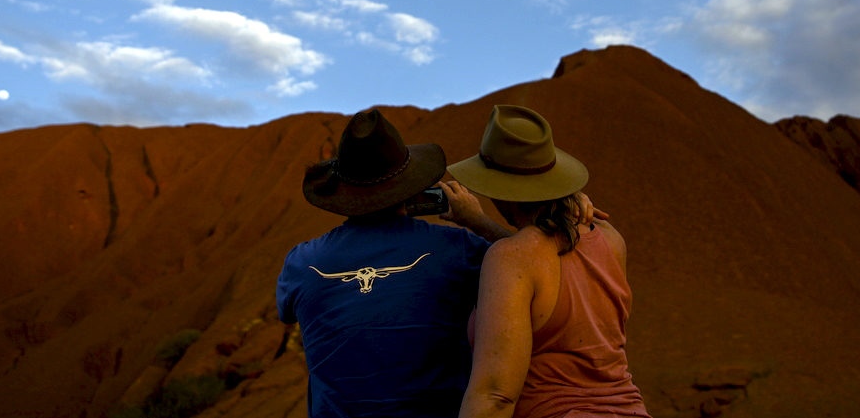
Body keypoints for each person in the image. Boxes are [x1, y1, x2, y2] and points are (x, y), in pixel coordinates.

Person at [276, 107, 511, 418]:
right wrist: (478, 221)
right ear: (410, 184)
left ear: (344, 189)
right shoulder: (459, 248)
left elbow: (287, 313)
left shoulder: (301, 263)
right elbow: (528, 264)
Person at [451, 105, 651, 418]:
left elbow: (495, 394)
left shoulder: (512, 258)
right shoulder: (612, 240)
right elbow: (547, 255)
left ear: (498, 190)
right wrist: (476, 220)